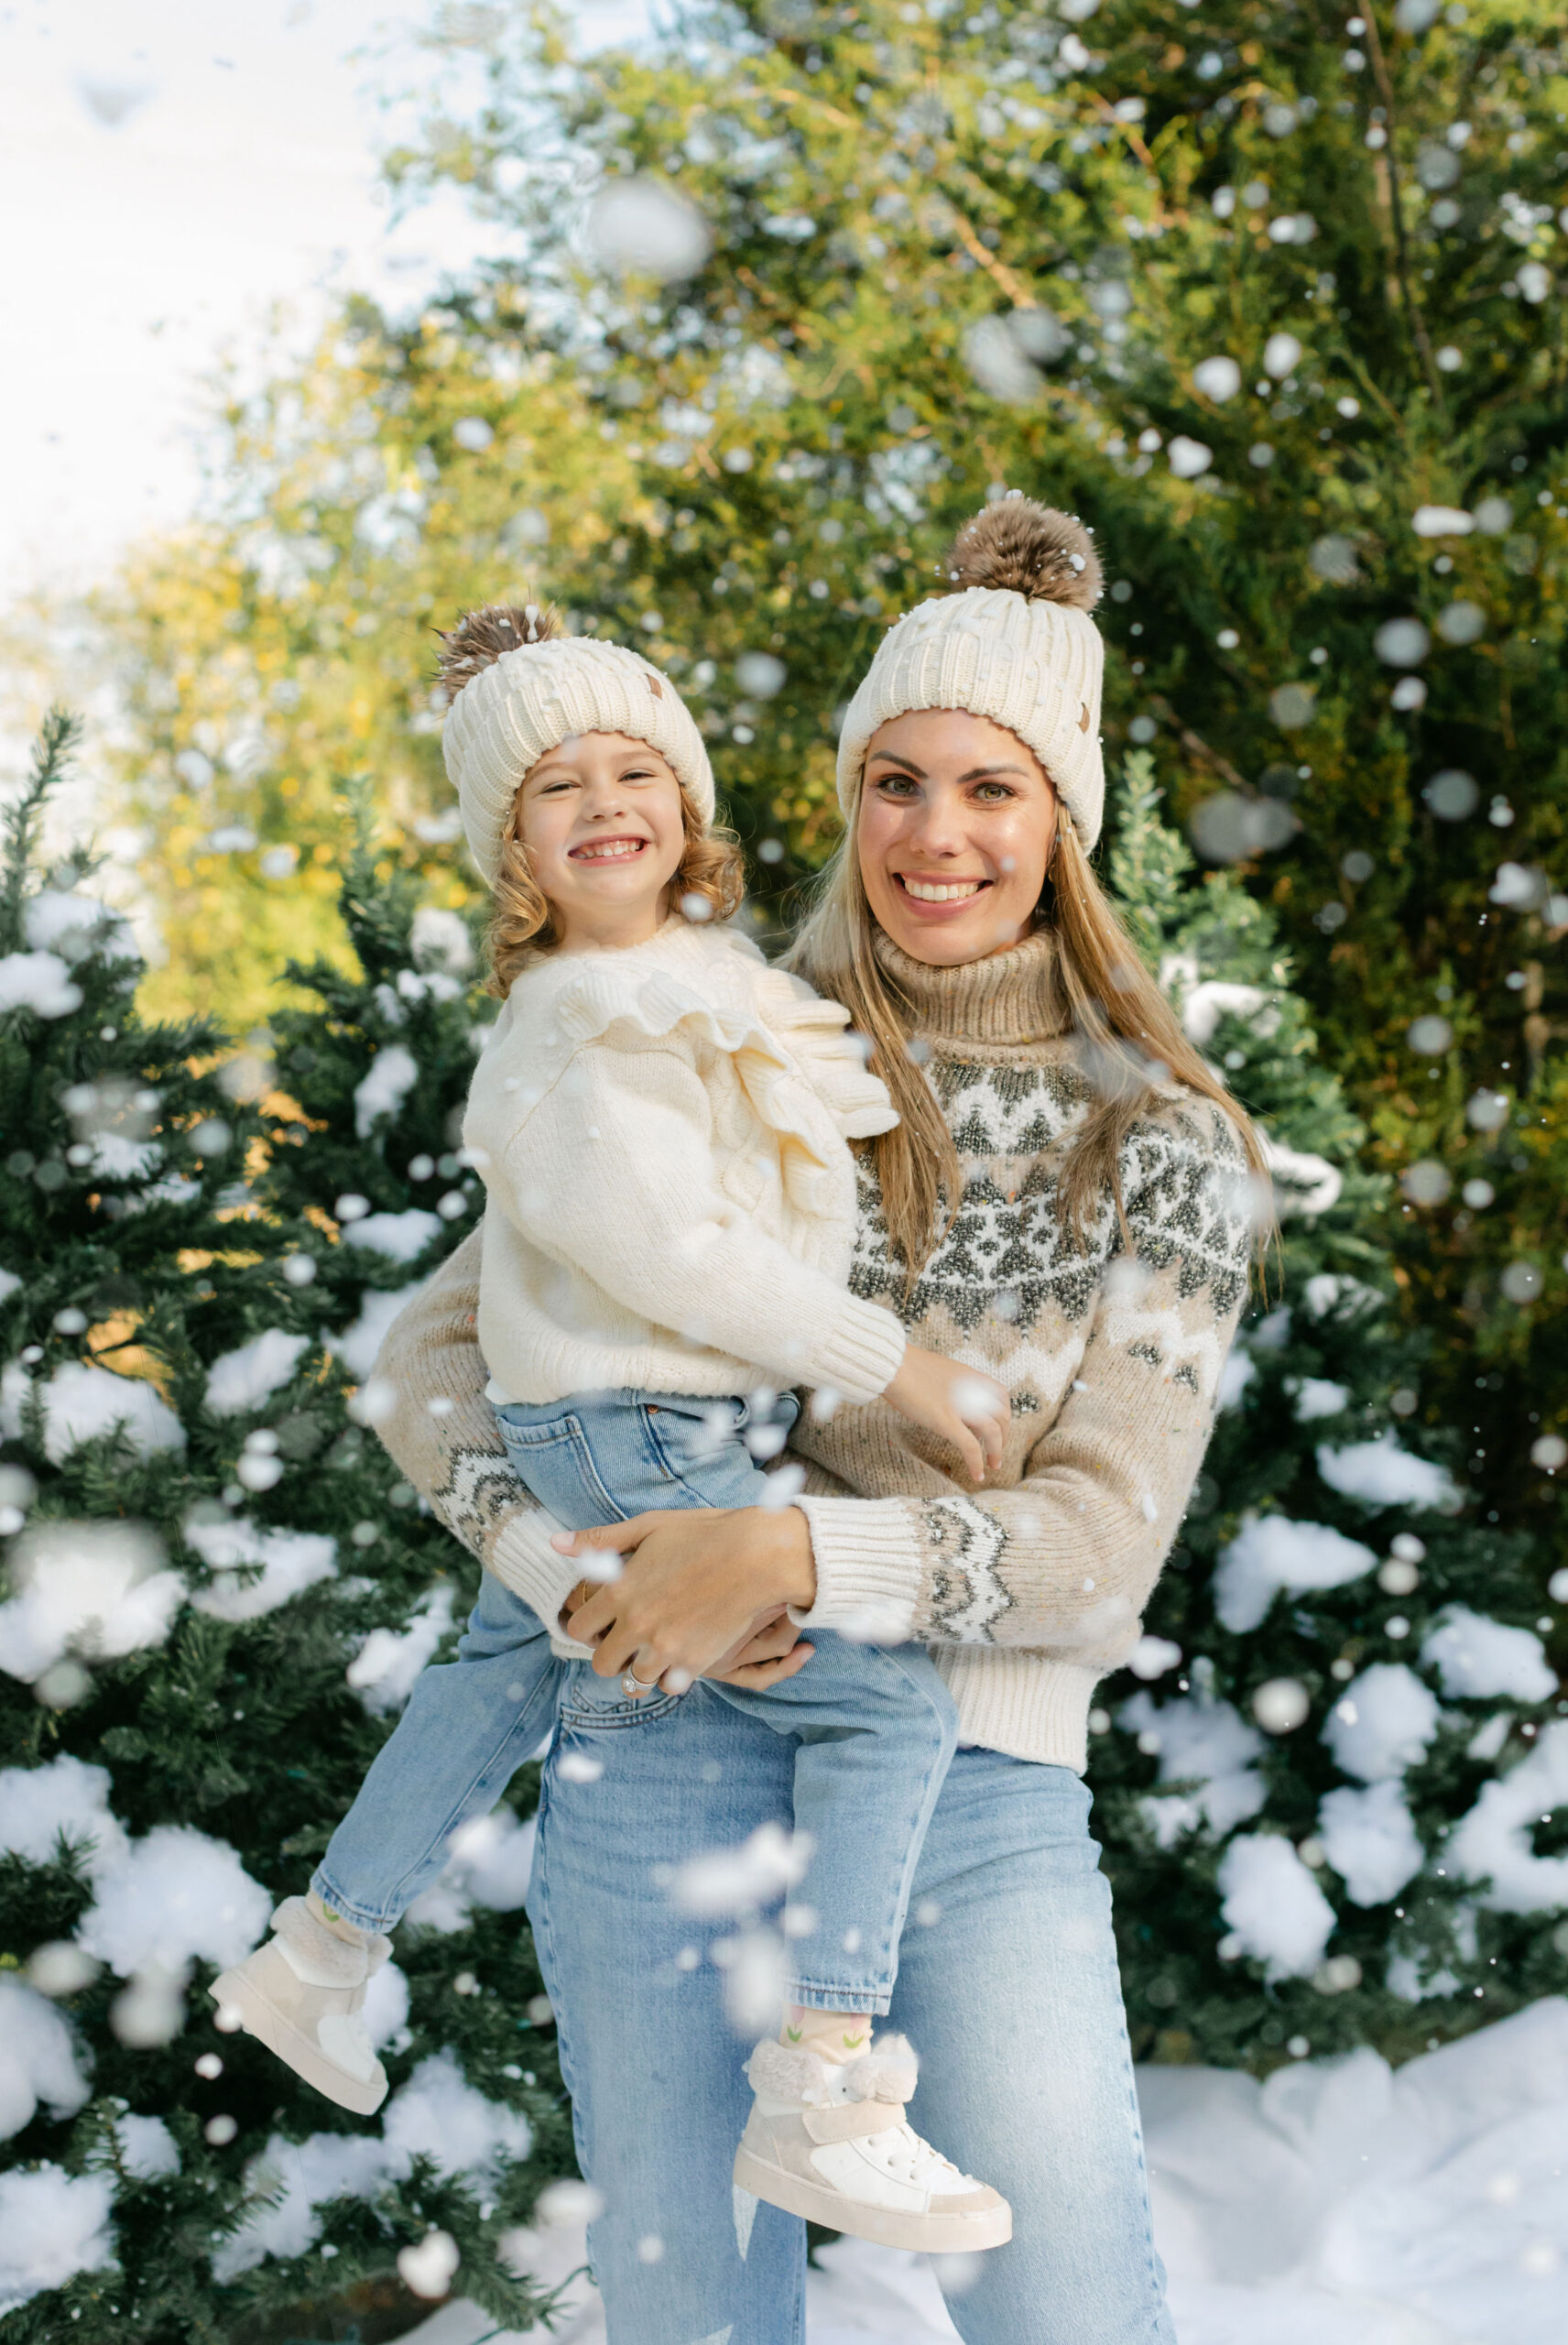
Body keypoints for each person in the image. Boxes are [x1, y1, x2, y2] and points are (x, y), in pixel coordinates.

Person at [369, 497, 1265, 2344]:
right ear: (846, 797)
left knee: (1072, 2307)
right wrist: (562, 1568)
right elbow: (423, 1358)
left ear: (1065, 813)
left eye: (992, 788)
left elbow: (1094, 1545)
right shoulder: (717, 1038)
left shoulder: (1166, 1140)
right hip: (659, 1751)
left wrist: (788, 1547)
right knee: (693, 2313)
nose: (938, 837)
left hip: (974, 1769)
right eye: (894, 781)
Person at [212, 601, 1014, 2252]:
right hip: (645, 1427)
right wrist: (895, 1367)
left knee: (507, 1668)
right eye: (552, 786)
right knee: (887, 1718)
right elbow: (674, 1249)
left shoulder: (682, 983)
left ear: (688, 802)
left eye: (637, 766)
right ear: (509, 844)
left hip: (601, 1422)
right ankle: (830, 2084)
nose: (604, 802)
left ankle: (318, 1953)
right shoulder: (583, 1027)